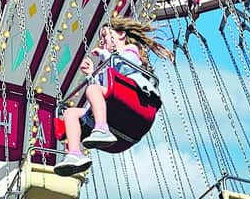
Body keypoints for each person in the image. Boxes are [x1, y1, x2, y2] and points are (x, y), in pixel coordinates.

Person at [54, 15, 173, 176]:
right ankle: (75, 154)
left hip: (135, 98)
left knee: (92, 90)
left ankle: (102, 128)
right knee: (70, 113)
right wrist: (91, 75)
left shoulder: (130, 51)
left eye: (104, 35)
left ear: (121, 34)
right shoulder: (109, 63)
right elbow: (104, 88)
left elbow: (123, 67)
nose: (102, 41)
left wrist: (104, 56)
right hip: (117, 106)